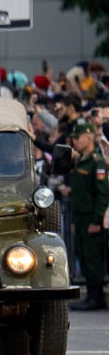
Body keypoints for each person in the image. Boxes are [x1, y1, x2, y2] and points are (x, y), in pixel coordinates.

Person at [69, 121, 109, 310]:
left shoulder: (97, 162)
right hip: (80, 216)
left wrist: (96, 220)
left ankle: (96, 296)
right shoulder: (80, 161)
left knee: (93, 259)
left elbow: (102, 194)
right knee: (83, 256)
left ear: (89, 137)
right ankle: (91, 296)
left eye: (78, 137)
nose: (75, 141)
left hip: (91, 217)